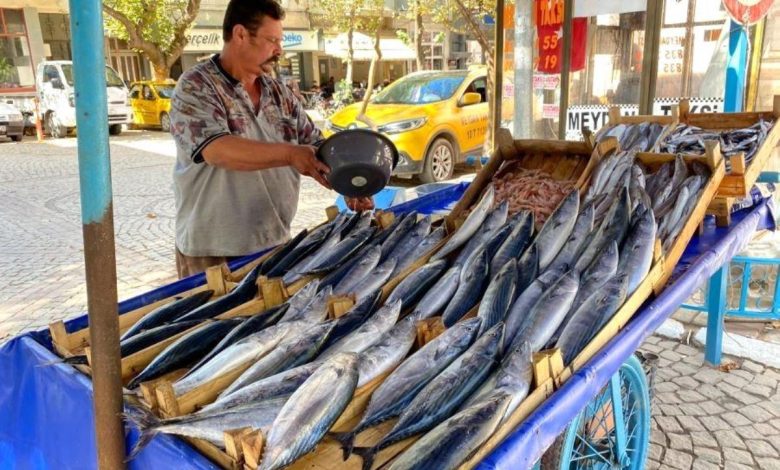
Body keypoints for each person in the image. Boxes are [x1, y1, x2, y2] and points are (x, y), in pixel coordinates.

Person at [170, 0, 372, 278]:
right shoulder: (197, 85)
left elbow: (317, 148)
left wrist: (347, 181)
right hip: (212, 253)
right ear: (240, 35)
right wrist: (290, 154)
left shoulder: (280, 94)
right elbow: (218, 151)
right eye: (271, 40)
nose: (279, 50)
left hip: (273, 245)